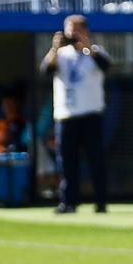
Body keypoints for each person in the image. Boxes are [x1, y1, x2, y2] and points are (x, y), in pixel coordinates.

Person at [43, 14, 111, 215]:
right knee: (66, 162)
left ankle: (101, 202)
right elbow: (46, 70)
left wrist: (87, 46)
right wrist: (55, 48)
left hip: (91, 114)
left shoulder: (95, 51)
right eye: (69, 31)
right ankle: (68, 202)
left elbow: (106, 66)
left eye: (76, 31)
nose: (72, 36)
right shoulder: (60, 54)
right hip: (66, 115)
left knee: (96, 160)